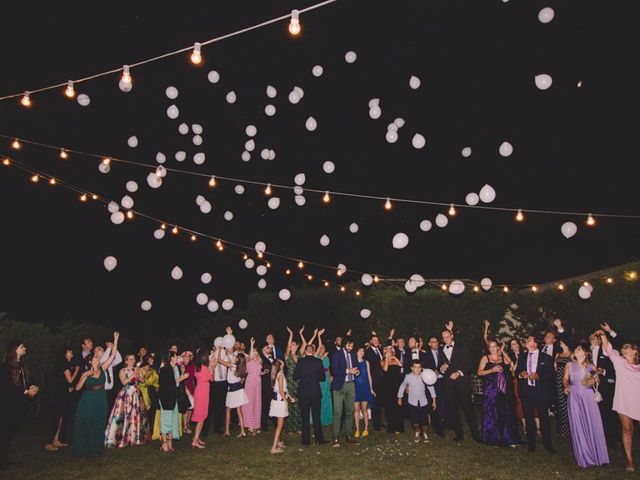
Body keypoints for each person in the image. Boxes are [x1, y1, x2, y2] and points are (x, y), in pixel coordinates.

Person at [562, 341, 609, 468]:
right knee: (578, 424)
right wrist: (566, 387)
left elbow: (597, 380)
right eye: (576, 348)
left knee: (593, 423)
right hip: (575, 396)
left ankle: (599, 455)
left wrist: (593, 379)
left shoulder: (591, 366)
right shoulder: (569, 365)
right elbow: (565, 379)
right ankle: (584, 456)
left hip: (588, 397)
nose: (576, 349)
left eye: (579, 348)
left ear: (584, 353)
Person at [72, 331, 119, 458]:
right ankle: (83, 450)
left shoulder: (103, 368)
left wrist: (115, 340)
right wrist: (84, 377)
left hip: (100, 398)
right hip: (88, 399)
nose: (97, 359)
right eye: (95, 358)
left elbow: (113, 354)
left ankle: (96, 449)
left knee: (98, 423)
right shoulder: (86, 373)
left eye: (98, 358)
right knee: (86, 423)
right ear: (90, 360)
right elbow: (77, 388)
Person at [599, 329, 640, 472]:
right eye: (623, 347)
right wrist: (604, 335)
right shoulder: (619, 362)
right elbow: (608, 349)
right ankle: (630, 460)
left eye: (627, 347)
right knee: (628, 430)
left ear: (635, 351)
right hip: (624, 401)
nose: (624, 349)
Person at [0, 341, 39, 469]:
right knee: (5, 432)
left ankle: (4, 458)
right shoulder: (6, 367)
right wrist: (25, 391)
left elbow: (25, 381)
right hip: (8, 406)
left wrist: (31, 387)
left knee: (10, 432)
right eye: (22, 347)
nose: (24, 348)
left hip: (19, 405)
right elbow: (7, 387)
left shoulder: (22, 365)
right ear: (15, 350)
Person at [515, 335, 555, 453]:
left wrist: (538, 376)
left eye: (530, 341)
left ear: (535, 343)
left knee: (544, 418)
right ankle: (531, 445)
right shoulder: (522, 357)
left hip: (540, 392)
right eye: (527, 341)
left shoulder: (546, 357)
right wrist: (521, 373)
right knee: (528, 418)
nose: (527, 342)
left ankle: (548, 444)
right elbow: (517, 371)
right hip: (526, 392)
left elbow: (551, 374)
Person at [477, 340, 521, 447]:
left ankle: (508, 438)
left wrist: (503, 351)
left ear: (497, 347)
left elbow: (510, 363)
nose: (492, 349)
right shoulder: (485, 358)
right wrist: (491, 370)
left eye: (494, 346)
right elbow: (479, 372)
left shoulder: (502, 358)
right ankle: (493, 439)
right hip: (491, 390)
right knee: (493, 414)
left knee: (506, 413)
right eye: (490, 347)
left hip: (504, 390)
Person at [440, 325, 480, 443]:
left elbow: (469, 364)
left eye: (448, 336)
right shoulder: (441, 351)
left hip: (462, 382)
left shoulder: (462, 347)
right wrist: (441, 368)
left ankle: (475, 435)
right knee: (453, 409)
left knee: (468, 408)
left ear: (452, 336)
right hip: (448, 384)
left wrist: (458, 372)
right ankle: (459, 434)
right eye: (444, 337)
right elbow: (439, 366)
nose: (446, 338)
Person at [105, 353, 150, 448]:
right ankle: (120, 438)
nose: (132, 361)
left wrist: (144, 375)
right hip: (126, 395)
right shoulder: (123, 370)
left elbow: (142, 381)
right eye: (130, 359)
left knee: (136, 415)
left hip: (136, 395)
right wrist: (133, 375)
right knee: (124, 416)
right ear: (126, 361)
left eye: (133, 359)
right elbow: (124, 382)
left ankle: (134, 437)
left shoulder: (136, 369)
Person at [45, 347, 78, 451]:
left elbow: (64, 382)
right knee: (56, 418)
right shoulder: (64, 365)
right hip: (60, 396)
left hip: (63, 394)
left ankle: (56, 440)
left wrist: (69, 387)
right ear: (65, 354)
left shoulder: (65, 364)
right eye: (70, 351)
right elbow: (70, 379)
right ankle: (48, 442)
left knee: (61, 418)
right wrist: (77, 370)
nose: (72, 352)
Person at [294, 341, 327, 445]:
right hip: (315, 392)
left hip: (303, 393)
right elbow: (322, 378)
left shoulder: (300, 361)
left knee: (305, 417)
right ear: (313, 351)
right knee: (316, 417)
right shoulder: (318, 362)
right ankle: (319, 440)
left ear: (305, 351)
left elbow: (294, 377)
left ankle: (305, 441)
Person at [589, 329, 618, 448]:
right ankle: (597, 437)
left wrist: (603, 371)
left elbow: (614, 369)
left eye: (596, 337)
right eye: (592, 337)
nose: (593, 339)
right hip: (591, 385)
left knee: (607, 412)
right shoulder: (587, 352)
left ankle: (610, 438)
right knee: (596, 413)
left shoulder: (608, 352)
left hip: (605, 386)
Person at [397, 360, 437, 443]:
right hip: (412, 401)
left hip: (423, 402)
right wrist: (400, 397)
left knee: (425, 421)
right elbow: (403, 386)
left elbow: (431, 387)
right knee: (414, 421)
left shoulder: (424, 376)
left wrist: (434, 400)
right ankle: (417, 430)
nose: (417, 369)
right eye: (415, 367)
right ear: (412, 368)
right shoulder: (408, 376)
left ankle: (425, 433)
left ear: (421, 368)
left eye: (419, 367)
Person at [158, 351, 189, 452]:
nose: (177, 358)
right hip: (166, 399)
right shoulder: (164, 369)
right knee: (165, 420)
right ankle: (164, 443)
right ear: (171, 358)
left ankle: (170, 444)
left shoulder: (173, 368)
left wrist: (182, 374)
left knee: (172, 420)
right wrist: (182, 377)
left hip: (173, 398)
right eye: (176, 356)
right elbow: (170, 385)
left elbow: (174, 385)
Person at [330, 336, 358, 446]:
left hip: (351, 385)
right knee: (337, 412)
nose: (350, 348)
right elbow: (335, 370)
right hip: (339, 386)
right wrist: (348, 370)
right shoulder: (337, 354)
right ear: (344, 344)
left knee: (349, 412)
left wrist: (357, 372)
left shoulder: (353, 354)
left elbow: (356, 367)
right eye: (348, 345)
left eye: (352, 346)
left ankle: (348, 435)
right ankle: (336, 438)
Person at [223, 349, 248, 437]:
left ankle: (227, 430)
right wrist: (230, 353)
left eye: (236, 357)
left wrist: (221, 352)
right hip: (239, 390)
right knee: (238, 411)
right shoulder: (242, 369)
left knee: (228, 410)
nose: (235, 358)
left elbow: (220, 361)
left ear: (238, 360)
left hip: (233, 390)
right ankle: (242, 431)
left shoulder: (232, 366)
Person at [191, 349, 213, 448]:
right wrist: (212, 367)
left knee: (201, 416)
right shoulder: (204, 368)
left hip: (200, 391)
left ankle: (197, 437)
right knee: (201, 417)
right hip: (203, 393)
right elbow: (212, 378)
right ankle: (195, 440)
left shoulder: (197, 367)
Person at [423, 335, 445, 436]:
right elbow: (426, 368)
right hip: (432, 382)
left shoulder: (442, 352)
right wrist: (435, 371)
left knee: (443, 403)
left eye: (436, 341)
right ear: (429, 344)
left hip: (443, 381)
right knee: (434, 403)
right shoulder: (426, 355)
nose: (435, 343)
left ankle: (445, 422)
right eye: (433, 342)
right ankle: (437, 427)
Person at [241, 338, 262, 434]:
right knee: (249, 403)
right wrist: (251, 344)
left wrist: (263, 372)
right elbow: (250, 356)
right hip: (250, 382)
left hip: (258, 383)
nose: (254, 353)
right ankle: (249, 426)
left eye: (256, 352)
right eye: (253, 351)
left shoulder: (258, 361)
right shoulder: (248, 360)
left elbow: (258, 372)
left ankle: (255, 425)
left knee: (256, 403)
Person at [381, 345, 404, 434]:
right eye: (388, 348)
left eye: (391, 348)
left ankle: (399, 427)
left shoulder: (395, 360)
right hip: (387, 386)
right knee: (389, 407)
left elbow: (401, 365)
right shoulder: (382, 361)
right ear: (385, 350)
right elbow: (385, 369)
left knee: (398, 405)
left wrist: (394, 357)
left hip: (397, 385)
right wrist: (387, 358)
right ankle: (391, 427)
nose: (390, 350)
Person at [364, 334, 385, 431]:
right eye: (374, 340)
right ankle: (376, 423)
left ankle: (379, 421)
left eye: (377, 340)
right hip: (374, 380)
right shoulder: (368, 352)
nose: (376, 341)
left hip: (382, 380)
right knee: (374, 402)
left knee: (380, 401)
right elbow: (375, 364)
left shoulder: (380, 350)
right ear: (371, 341)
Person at [353, 347, 375, 438]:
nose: (361, 352)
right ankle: (357, 430)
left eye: (363, 351)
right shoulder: (353, 362)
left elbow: (369, 375)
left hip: (365, 387)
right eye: (360, 350)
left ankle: (366, 428)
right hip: (355, 388)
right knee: (356, 409)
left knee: (364, 409)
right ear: (356, 352)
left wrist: (371, 388)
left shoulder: (366, 362)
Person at [284, 326, 302, 432]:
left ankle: (298, 426)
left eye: (294, 345)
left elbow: (304, 345)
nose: (293, 346)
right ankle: (290, 427)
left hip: (298, 381)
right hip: (290, 381)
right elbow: (287, 345)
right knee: (290, 403)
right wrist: (290, 334)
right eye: (291, 345)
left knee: (298, 403)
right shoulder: (287, 356)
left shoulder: (299, 356)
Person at [269, 359, 288, 453]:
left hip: (277, 400)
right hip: (279, 402)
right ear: (280, 365)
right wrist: (286, 401)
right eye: (281, 362)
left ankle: (278, 442)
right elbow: (280, 390)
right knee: (280, 425)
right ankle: (274, 447)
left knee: (279, 424)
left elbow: (282, 389)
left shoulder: (278, 374)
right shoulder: (280, 376)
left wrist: (289, 397)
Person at [554, 339, 572, 437]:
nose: (560, 344)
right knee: (562, 405)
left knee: (570, 404)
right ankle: (564, 430)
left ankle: (572, 428)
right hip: (559, 382)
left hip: (568, 381)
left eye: (561, 342)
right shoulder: (558, 354)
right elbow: (555, 368)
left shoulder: (572, 355)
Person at [315, 329, 333, 426]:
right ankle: (319, 418)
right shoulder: (317, 356)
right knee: (320, 397)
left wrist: (330, 377)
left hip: (326, 377)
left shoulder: (327, 357)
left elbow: (328, 368)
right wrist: (319, 336)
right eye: (320, 347)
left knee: (327, 396)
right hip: (319, 378)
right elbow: (318, 365)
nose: (322, 348)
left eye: (323, 347)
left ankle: (327, 418)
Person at [138, 354, 159, 435]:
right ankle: (141, 429)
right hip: (142, 392)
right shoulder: (140, 370)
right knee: (143, 411)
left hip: (152, 392)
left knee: (152, 411)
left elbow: (156, 381)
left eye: (151, 359)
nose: (151, 361)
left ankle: (151, 428)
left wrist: (157, 387)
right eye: (149, 360)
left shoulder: (153, 370)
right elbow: (141, 384)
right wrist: (146, 377)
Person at [101, 340, 123, 410]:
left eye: (103, 349)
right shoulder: (98, 362)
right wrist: (109, 348)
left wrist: (114, 347)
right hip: (102, 391)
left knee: (110, 409)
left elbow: (119, 360)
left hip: (110, 391)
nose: (103, 350)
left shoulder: (109, 363)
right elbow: (103, 361)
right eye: (99, 349)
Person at [259, 344, 274, 432]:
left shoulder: (272, 358)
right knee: (264, 404)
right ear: (263, 350)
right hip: (264, 384)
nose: (269, 348)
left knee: (269, 403)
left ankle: (268, 420)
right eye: (267, 348)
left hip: (272, 384)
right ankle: (263, 424)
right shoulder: (261, 359)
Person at [181, 351, 195, 434]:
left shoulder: (191, 365)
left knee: (191, 407)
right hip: (183, 388)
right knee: (186, 407)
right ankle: (185, 426)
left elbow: (191, 377)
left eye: (189, 356)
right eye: (185, 356)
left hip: (190, 387)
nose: (187, 358)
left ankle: (187, 424)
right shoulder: (180, 366)